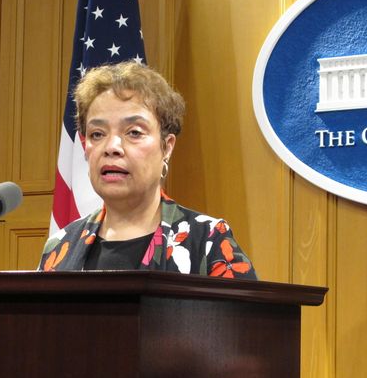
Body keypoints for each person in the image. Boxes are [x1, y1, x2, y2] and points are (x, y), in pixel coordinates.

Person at [39, 61, 256, 279]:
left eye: (134, 132)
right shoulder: (60, 247)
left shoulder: (208, 241)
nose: (112, 147)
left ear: (166, 147)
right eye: (97, 134)